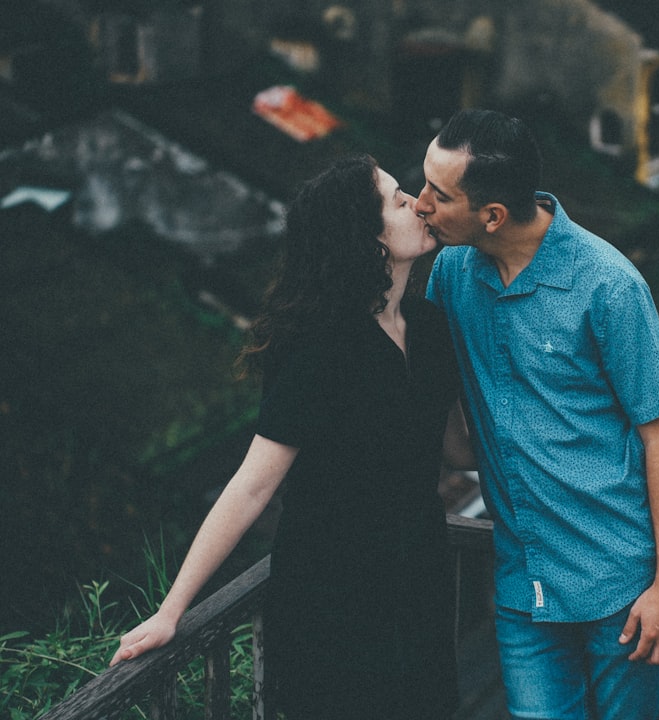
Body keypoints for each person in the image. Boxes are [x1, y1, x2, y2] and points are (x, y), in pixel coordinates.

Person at [110, 154, 470, 720]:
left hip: (417, 579)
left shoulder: (429, 327)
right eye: (398, 199)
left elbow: (455, 450)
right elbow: (253, 487)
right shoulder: (321, 346)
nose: (418, 204)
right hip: (334, 593)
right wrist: (170, 611)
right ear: (366, 237)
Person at [418, 109, 659, 720]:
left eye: (438, 194)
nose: (419, 204)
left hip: (624, 582)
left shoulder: (609, 286)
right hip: (525, 584)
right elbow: (455, 432)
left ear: (491, 215)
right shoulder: (451, 275)